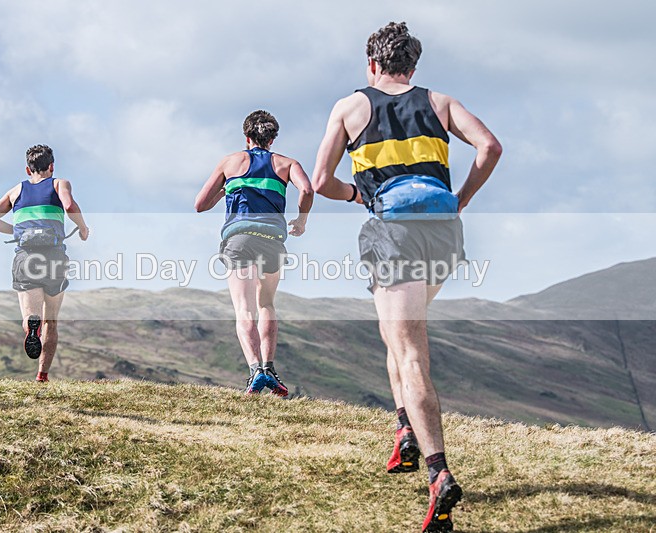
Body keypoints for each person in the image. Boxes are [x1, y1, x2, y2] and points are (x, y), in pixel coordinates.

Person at [311, 22, 502, 532]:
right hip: (442, 233)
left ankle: (438, 472)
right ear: (412, 67)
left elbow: (321, 180)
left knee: (410, 348)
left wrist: (357, 196)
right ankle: (405, 429)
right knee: (394, 335)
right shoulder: (440, 102)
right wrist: (460, 199)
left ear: (371, 64)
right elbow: (490, 147)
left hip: (392, 232)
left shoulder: (351, 107)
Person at [195, 111, 314, 396]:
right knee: (267, 305)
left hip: (239, 238)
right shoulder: (287, 163)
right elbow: (308, 189)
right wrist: (301, 221)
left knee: (244, 308)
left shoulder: (230, 161)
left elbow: (200, 204)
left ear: (247, 137)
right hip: (272, 239)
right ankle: (270, 369)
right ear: (273, 139)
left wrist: (226, 191)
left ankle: (255, 372)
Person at [0, 145, 90, 382]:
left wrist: (20, 231)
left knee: (31, 315)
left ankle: (31, 324)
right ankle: (42, 375)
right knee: (51, 320)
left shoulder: (16, 190)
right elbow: (70, 205)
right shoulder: (58, 183)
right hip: (54, 256)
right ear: (51, 167)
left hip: (26, 256)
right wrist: (82, 229)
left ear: (27, 168)